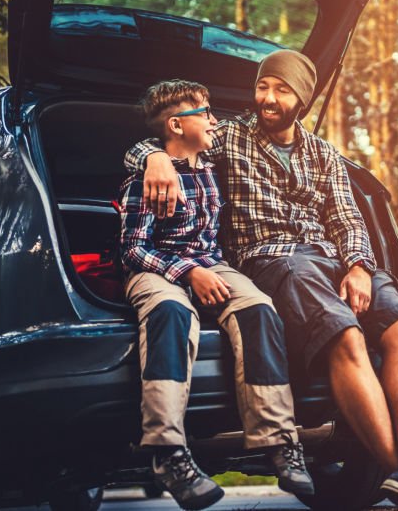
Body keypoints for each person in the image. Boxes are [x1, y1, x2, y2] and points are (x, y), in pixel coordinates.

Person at [124, 52, 398, 511]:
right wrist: (152, 158)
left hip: (333, 261)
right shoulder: (230, 136)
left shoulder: (323, 153)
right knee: (345, 335)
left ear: (302, 100)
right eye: (263, 86)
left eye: (281, 90)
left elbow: (349, 221)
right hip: (275, 261)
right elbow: (166, 136)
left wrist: (358, 267)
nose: (267, 98)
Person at [119, 79, 313, 510]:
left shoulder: (209, 162)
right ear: (175, 124)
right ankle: (167, 451)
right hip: (156, 268)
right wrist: (188, 273)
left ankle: (279, 441)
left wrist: (206, 271)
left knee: (260, 307)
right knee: (171, 312)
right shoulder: (145, 180)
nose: (214, 120)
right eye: (204, 113)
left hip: (213, 264)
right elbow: (133, 249)